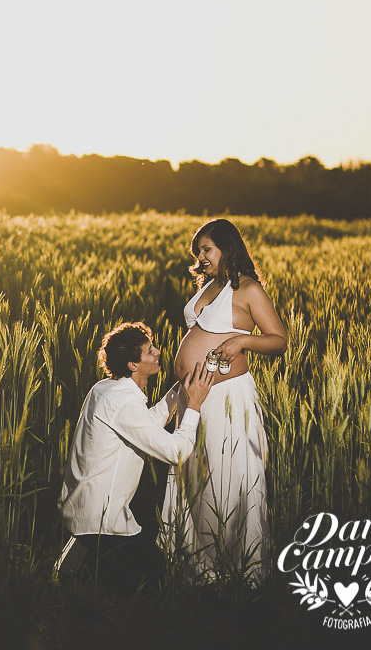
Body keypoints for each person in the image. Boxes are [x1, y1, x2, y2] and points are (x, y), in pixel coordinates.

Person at [161, 218, 287, 583]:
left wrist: (242, 342)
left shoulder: (248, 289)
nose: (201, 257)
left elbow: (279, 340)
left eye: (207, 249)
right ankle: (201, 564)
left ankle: (237, 568)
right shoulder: (209, 286)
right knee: (196, 475)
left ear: (227, 248)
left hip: (226, 396)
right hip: (194, 397)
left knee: (225, 476)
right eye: (198, 251)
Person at [56, 322, 216, 592]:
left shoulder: (106, 389)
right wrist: (195, 405)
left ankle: (82, 562)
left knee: (145, 567)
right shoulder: (123, 402)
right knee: (161, 579)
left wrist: (179, 391)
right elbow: (175, 452)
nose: (157, 353)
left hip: (86, 509)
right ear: (133, 364)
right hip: (103, 522)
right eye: (149, 351)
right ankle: (85, 567)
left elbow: (144, 425)